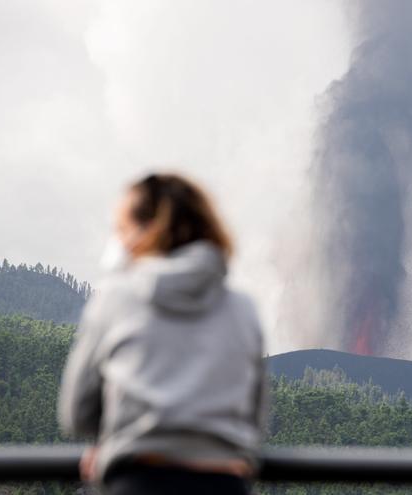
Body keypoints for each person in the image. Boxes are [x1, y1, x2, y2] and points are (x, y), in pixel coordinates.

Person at [58, 173, 266, 494]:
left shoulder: (116, 298)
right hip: (224, 484)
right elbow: (256, 418)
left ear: (145, 232)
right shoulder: (245, 309)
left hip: (140, 481)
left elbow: (76, 414)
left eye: (122, 230)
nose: (119, 242)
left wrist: (120, 441)